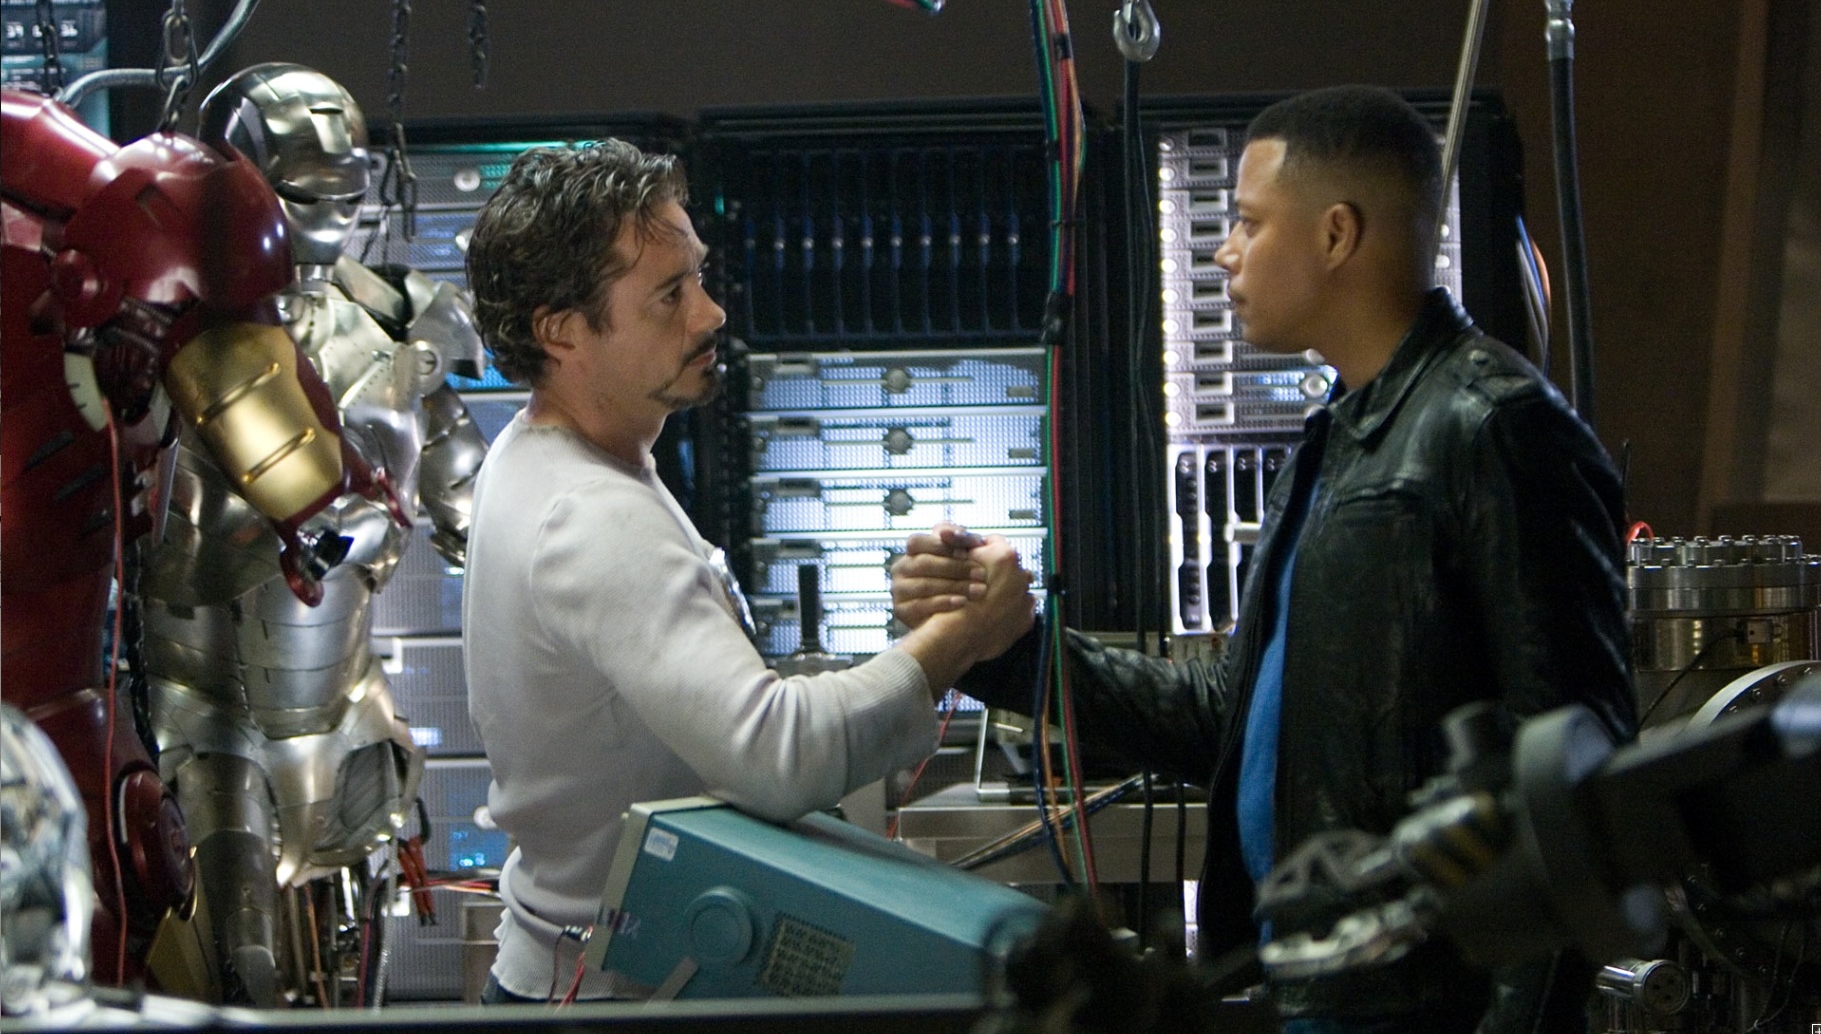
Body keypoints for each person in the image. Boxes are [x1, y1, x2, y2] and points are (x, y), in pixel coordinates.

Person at [892, 86, 1636, 1032]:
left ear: (1335, 234)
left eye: (1247, 221)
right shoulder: (1335, 442)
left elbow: (1572, 786)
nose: (1224, 250)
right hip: (1312, 988)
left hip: (1419, 1005)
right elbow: (1230, 719)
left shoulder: (1493, 427)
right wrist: (1006, 647)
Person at [460, 140, 1033, 1004]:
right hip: (610, 993)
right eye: (669, 295)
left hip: (580, 973)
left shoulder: (542, 456)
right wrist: (958, 639)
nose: (710, 313)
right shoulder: (590, 513)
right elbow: (776, 755)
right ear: (561, 330)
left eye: (698, 277)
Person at [133, 64, 491, 1006]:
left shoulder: (392, 320)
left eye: (344, 191)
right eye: (303, 191)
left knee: (354, 970)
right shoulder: (165, 326)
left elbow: (466, 490)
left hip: (346, 707)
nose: (328, 215)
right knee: (236, 969)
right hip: (204, 713)